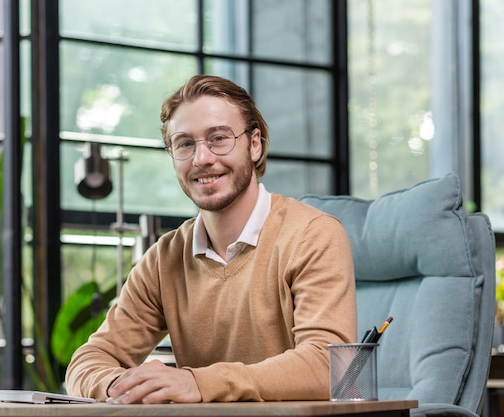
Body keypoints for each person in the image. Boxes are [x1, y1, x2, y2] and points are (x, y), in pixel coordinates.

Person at [65, 74, 356, 404]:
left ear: (255, 144)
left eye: (218, 138)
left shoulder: (313, 235)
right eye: (185, 144)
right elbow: (87, 362)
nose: (201, 158)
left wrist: (198, 383)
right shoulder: (165, 258)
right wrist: (124, 386)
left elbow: (330, 367)